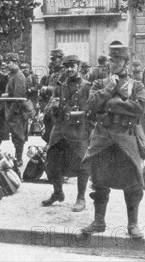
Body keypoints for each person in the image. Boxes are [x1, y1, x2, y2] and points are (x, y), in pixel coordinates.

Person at [80, 45, 145, 240]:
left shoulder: (137, 85)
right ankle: (99, 221)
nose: (114, 64)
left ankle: (133, 224)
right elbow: (91, 104)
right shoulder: (100, 83)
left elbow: (140, 108)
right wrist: (110, 88)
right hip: (103, 138)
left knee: (133, 184)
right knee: (99, 181)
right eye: (111, 60)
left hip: (126, 138)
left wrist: (111, 103)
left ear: (126, 62)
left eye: (118, 60)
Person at [41, 55, 91, 212]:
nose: (69, 69)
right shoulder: (61, 85)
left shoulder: (86, 86)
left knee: (82, 164)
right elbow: (52, 103)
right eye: (67, 66)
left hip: (78, 129)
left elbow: (91, 109)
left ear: (78, 67)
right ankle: (57, 192)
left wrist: (78, 114)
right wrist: (52, 107)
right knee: (51, 161)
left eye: (73, 66)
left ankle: (81, 197)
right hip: (61, 129)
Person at [4, 52, 31, 165]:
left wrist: (11, 113)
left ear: (15, 62)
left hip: (18, 113)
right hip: (14, 111)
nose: (7, 65)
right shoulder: (13, 75)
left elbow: (19, 97)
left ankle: (19, 159)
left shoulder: (19, 76)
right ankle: (17, 157)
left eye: (9, 62)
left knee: (19, 136)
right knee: (16, 137)